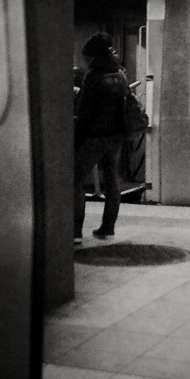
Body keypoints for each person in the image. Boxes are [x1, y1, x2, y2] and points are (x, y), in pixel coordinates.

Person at [73, 32, 129, 244]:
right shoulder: (120, 74)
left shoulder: (93, 76)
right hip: (116, 137)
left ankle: (75, 231)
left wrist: (77, 140)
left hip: (95, 136)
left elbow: (84, 112)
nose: (86, 62)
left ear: (94, 56)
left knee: (75, 180)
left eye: (87, 57)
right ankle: (108, 227)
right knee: (112, 181)